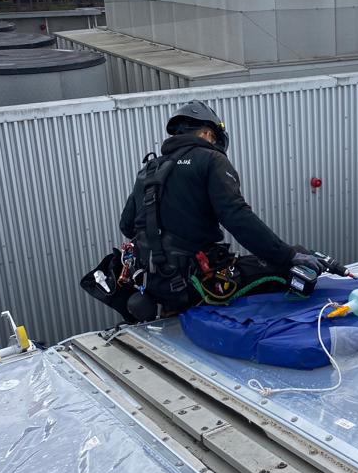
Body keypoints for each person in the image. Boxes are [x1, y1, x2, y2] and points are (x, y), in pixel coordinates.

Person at [118, 100, 334, 320]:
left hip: (154, 286)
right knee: (297, 262)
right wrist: (288, 255)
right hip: (195, 283)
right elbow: (237, 217)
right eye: (213, 138)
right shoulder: (211, 159)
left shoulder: (150, 169)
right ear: (206, 133)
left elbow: (126, 225)